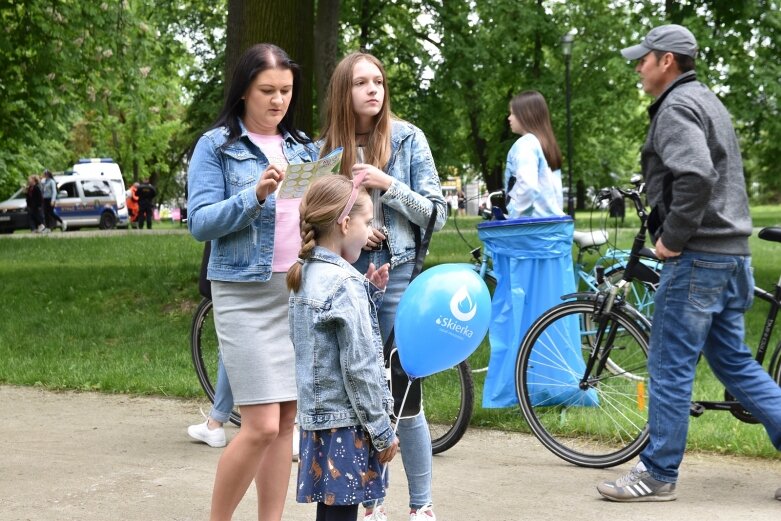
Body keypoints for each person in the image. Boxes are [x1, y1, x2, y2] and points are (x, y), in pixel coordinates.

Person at [597, 24, 781, 503]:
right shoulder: (706, 99)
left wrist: (672, 239)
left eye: (644, 58)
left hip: (698, 256)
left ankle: (657, 472)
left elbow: (697, 175)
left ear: (667, 61)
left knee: (669, 364)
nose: (638, 67)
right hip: (731, 256)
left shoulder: (677, 106)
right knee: (735, 364)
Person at [187, 43, 317, 520]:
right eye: (267, 90)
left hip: (297, 291)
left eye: (285, 90)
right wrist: (254, 194)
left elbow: (315, 214)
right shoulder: (215, 146)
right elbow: (200, 223)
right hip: (244, 292)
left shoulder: (303, 145)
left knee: (286, 422)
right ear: (244, 90)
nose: (278, 100)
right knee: (260, 424)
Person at [318, 52, 447, 521]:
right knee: (356, 397)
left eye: (378, 81)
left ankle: (421, 505)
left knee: (403, 396)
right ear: (342, 92)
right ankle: (369, 503)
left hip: (398, 280)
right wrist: (351, 228)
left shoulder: (408, 138)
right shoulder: (326, 149)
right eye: (360, 83)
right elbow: (314, 217)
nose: (373, 90)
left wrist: (386, 184)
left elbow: (436, 211)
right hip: (342, 281)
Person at [287, 174, 399, 521]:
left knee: (331, 512)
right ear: (345, 223)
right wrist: (382, 431)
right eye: (367, 223)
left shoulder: (304, 274)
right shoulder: (344, 284)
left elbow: (324, 345)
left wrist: (368, 294)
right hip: (348, 425)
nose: (370, 232)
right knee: (342, 515)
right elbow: (360, 367)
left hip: (319, 422)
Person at [503, 90, 564, 218]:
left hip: (532, 228)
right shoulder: (546, 145)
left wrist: (517, 218)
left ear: (526, 115)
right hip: (552, 225)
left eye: (513, 113)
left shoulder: (525, 144)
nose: (509, 118)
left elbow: (528, 187)